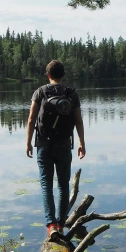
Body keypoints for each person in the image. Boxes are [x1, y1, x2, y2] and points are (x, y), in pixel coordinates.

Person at [26, 60, 85, 240]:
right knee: (63, 185)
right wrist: (82, 143)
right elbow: (78, 121)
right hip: (64, 144)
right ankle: (60, 225)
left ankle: (51, 225)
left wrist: (28, 142)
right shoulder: (72, 94)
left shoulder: (40, 92)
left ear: (48, 75)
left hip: (43, 144)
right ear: (63, 74)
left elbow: (31, 120)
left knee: (46, 185)